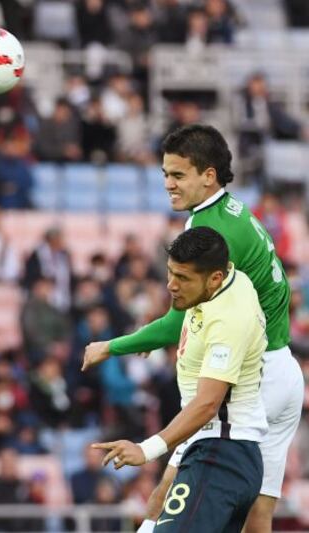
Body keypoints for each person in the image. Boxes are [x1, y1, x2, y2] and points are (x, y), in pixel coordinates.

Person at [82, 124, 304, 533]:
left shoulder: (209, 232)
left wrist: (113, 346)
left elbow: (177, 320)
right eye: (165, 174)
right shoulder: (235, 210)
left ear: (209, 175)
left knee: (164, 493)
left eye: (178, 174)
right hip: (284, 373)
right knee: (258, 517)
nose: (168, 184)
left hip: (250, 383)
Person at [91, 227, 268, 532]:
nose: (171, 285)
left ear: (214, 278)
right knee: (156, 509)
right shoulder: (228, 280)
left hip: (220, 454)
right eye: (170, 273)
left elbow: (208, 403)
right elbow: (177, 322)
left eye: (182, 278)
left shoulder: (228, 320)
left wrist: (146, 449)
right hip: (214, 447)